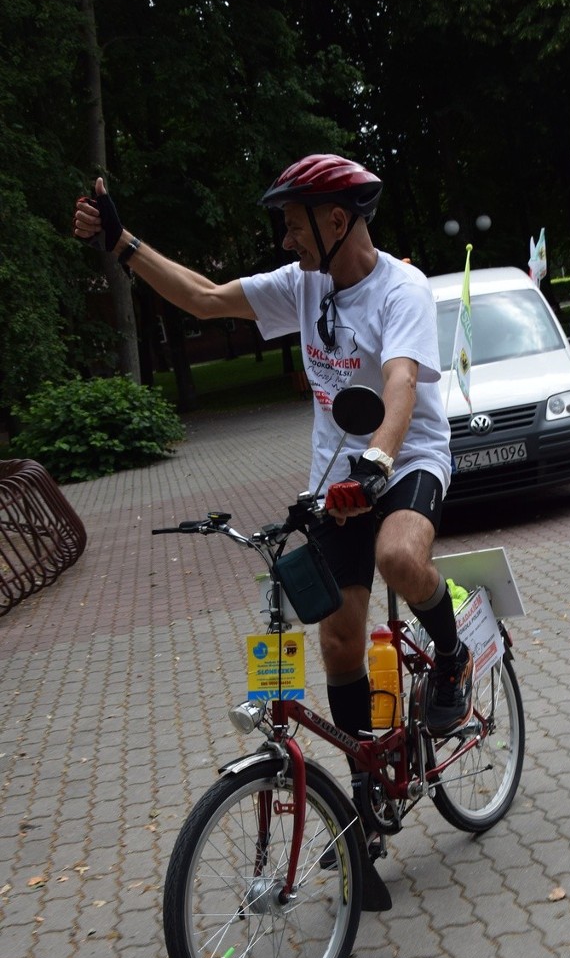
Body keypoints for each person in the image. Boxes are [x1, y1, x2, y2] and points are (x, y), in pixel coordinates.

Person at [73, 156, 473, 759]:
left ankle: (452, 655)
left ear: (336, 220)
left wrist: (377, 463)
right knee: (338, 642)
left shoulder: (402, 288)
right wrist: (121, 243)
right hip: (336, 478)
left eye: (293, 225)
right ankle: (367, 785)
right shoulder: (302, 284)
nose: (285, 240)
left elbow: (400, 383)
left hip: (406, 456)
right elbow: (205, 298)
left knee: (397, 556)